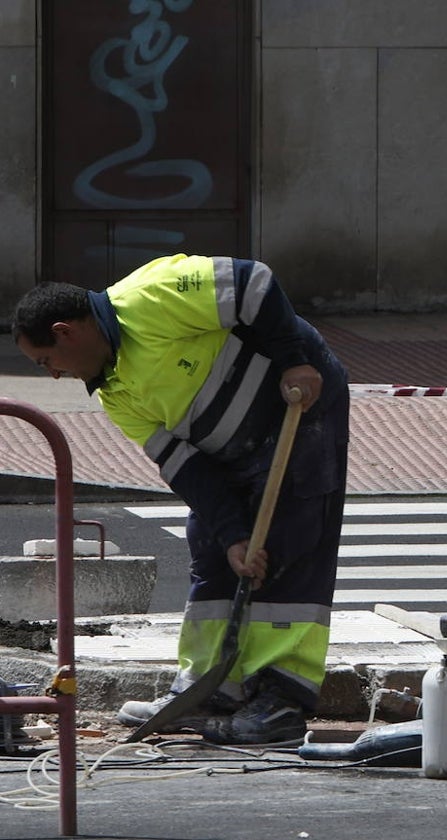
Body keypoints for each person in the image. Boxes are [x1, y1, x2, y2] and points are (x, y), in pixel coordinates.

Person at [12, 254, 350, 745]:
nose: (54, 375)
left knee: (289, 543)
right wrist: (233, 535)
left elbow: (253, 284)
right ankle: (210, 687)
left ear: (65, 332)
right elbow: (185, 467)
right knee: (213, 547)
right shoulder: (114, 392)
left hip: (298, 410)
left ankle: (282, 699)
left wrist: (295, 358)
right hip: (228, 452)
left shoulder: (149, 296)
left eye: (46, 361)